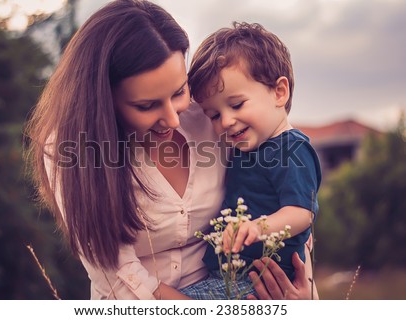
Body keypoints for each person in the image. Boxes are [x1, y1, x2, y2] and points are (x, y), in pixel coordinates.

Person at [25, 0, 317, 300]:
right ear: (104, 100)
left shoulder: (213, 112)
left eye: (179, 92)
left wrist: (304, 298)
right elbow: (119, 276)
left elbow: (285, 206)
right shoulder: (70, 152)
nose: (173, 118)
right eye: (146, 105)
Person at [179, 22, 321, 299]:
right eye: (214, 115)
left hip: (260, 281)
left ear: (279, 92)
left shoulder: (291, 148)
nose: (226, 121)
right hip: (234, 272)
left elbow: (301, 212)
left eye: (236, 104)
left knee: (162, 301)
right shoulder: (248, 148)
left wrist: (258, 227)